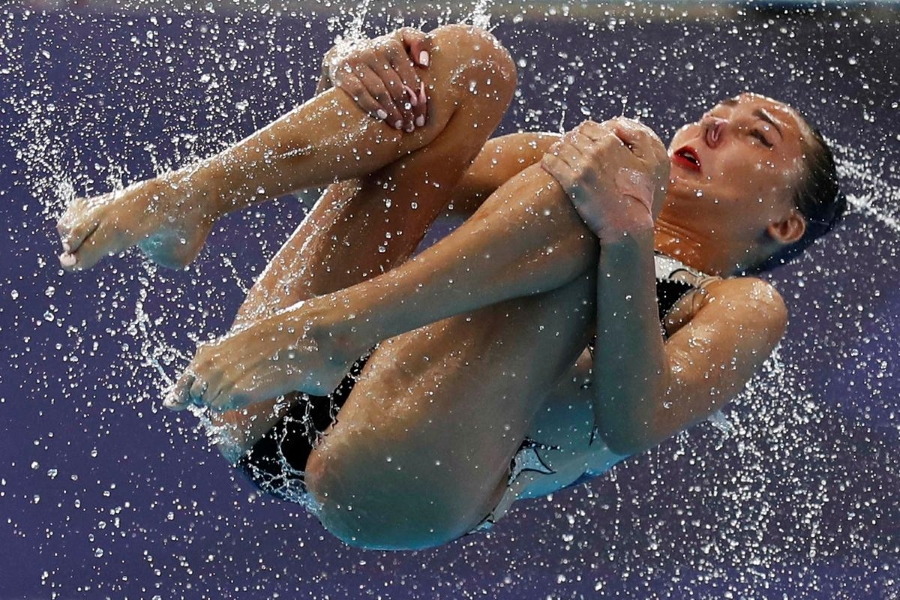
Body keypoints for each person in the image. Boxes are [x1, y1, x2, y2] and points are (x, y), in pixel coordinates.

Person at [56, 24, 844, 550]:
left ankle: (326, 332)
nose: (711, 125)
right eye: (720, 110)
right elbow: (395, 162)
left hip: (400, 476)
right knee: (470, 61)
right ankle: (192, 196)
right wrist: (365, 78)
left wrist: (627, 234)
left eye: (754, 135)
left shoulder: (742, 305)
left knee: (609, 178)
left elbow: (634, 418)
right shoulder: (579, 162)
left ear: (782, 225)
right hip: (277, 398)